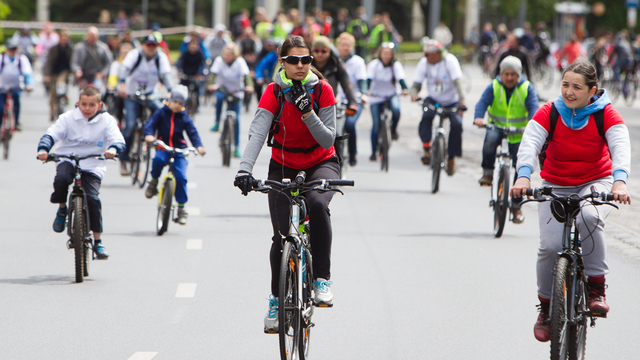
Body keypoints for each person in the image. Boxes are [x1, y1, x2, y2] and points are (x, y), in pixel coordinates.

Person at [510, 60, 631, 343]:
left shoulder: (605, 113)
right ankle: (547, 309)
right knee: (550, 247)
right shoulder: (550, 112)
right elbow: (529, 143)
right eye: (565, 84)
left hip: (596, 183)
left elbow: (620, 145)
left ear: (592, 90)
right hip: (556, 185)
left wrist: (620, 180)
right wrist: (524, 177)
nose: (569, 92)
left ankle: (596, 289)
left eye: (577, 87)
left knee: (589, 217)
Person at [233, 35, 339, 333]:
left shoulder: (323, 90)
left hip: (321, 162)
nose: (301, 65)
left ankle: (321, 279)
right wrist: (244, 170)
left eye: (306, 60)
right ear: (283, 62)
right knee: (281, 237)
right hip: (282, 163)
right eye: (294, 60)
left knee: (317, 205)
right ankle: (277, 300)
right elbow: (257, 133)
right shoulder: (274, 92)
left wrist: (308, 113)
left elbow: (328, 139)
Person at [37, 86, 125, 259]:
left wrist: (114, 149)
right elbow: (52, 134)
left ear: (99, 105)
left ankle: (98, 242)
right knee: (61, 179)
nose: (87, 108)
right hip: (67, 158)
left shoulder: (107, 120)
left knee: (92, 198)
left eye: (91, 105)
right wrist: (43, 149)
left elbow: (118, 139)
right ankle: (62, 208)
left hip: (93, 163)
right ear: (78, 103)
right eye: (83, 104)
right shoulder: (68, 118)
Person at [473, 56, 539, 223]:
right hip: (497, 127)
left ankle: (516, 207)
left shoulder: (526, 88)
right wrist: (479, 117)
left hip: (518, 133)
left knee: (521, 166)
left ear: (519, 75)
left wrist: (533, 124)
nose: (509, 78)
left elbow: (534, 108)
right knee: (490, 139)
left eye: (513, 74)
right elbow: (482, 103)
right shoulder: (494, 86)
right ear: (501, 74)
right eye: (506, 74)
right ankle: (487, 173)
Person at [144, 85, 205, 225]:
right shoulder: (161, 113)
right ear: (169, 100)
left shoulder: (184, 117)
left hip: (179, 150)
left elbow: (192, 132)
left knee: (181, 177)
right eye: (175, 102)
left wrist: (199, 146)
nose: (177, 105)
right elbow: (150, 125)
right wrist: (149, 135)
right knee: (158, 160)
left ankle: (181, 208)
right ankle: (153, 182)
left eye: (180, 103)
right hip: (163, 146)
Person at [117, 34, 173, 176]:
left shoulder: (160, 58)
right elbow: (124, 69)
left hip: (150, 94)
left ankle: (161, 146)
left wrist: (171, 91)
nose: (151, 49)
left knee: (163, 112)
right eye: (148, 45)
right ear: (143, 46)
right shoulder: (134, 55)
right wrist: (122, 84)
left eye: (154, 46)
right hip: (131, 94)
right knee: (130, 125)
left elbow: (166, 75)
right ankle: (124, 159)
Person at [410, 39, 465, 174]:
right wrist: (414, 94)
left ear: (436, 54)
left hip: (451, 100)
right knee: (426, 116)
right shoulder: (425, 63)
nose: (425, 57)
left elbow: (458, 83)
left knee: (457, 124)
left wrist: (462, 101)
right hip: (433, 98)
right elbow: (416, 83)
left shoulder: (450, 61)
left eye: (427, 54)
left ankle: (451, 157)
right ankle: (426, 149)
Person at [207, 42, 254, 158]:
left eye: (230, 55)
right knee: (218, 98)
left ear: (235, 55)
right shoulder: (219, 61)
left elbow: (246, 76)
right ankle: (217, 121)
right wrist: (211, 84)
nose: (227, 57)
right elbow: (213, 74)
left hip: (236, 91)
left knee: (236, 119)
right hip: (222, 89)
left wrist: (249, 86)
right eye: (225, 54)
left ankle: (236, 147)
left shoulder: (240, 62)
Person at [367, 42, 408, 160]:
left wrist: (405, 88)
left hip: (391, 95)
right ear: (380, 54)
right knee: (376, 124)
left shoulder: (395, 65)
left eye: (389, 54)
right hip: (376, 96)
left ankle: (393, 130)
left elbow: (401, 79)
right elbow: (368, 79)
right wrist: (366, 91)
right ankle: (374, 151)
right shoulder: (374, 65)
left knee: (396, 110)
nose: (386, 56)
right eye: (384, 53)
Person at [336, 32, 368, 166]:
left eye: (348, 45)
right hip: (337, 101)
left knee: (349, 124)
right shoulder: (334, 60)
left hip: (354, 100)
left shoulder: (358, 62)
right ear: (338, 46)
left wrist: (363, 93)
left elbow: (362, 81)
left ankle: (352, 152)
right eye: (343, 45)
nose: (345, 48)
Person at [0, 39, 34, 132]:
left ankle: (16, 122)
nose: (12, 51)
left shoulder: (21, 59)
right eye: (10, 49)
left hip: (16, 85)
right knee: (0, 106)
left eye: (14, 49)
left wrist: (29, 85)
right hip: (2, 86)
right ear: (7, 50)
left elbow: (28, 73)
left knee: (16, 100)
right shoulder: (1, 59)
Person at [44, 29, 73, 122]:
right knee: (52, 93)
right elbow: (48, 62)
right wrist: (47, 75)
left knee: (61, 82)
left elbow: (73, 62)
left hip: (65, 71)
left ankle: (65, 96)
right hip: (54, 71)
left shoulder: (71, 49)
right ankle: (52, 111)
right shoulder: (54, 49)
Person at [71, 26, 113, 91]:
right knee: (84, 96)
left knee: (98, 94)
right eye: (91, 35)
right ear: (87, 35)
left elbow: (109, 63)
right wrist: (77, 70)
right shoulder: (79, 48)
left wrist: (102, 73)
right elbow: (74, 62)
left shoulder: (103, 48)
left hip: (97, 76)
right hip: (84, 77)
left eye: (94, 36)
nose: (92, 38)